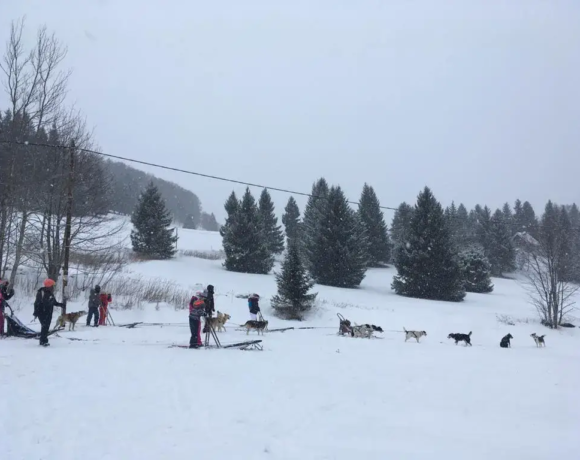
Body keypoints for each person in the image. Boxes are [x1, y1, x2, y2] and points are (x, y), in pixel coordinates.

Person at [33, 278, 65, 347]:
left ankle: (43, 340)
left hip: (48, 313)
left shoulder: (50, 293)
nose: (53, 287)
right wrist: (35, 312)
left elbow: (54, 302)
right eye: (52, 286)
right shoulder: (41, 292)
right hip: (41, 312)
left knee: (46, 327)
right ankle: (43, 341)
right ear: (49, 286)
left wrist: (60, 305)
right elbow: (37, 303)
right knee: (44, 326)